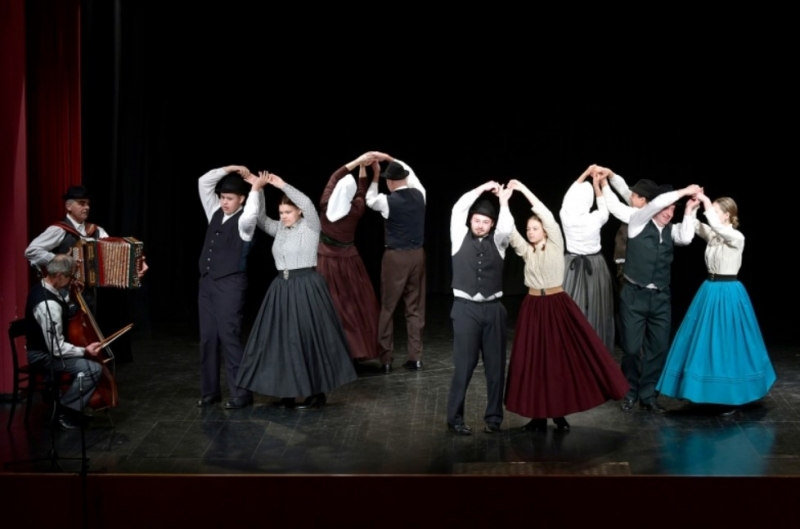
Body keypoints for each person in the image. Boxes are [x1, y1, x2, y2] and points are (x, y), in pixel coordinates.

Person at [503, 179, 629, 432]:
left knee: (556, 361)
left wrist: (523, 189)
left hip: (555, 305)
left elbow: (545, 213)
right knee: (534, 362)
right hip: (532, 307)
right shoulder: (527, 251)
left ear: (545, 230)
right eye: (528, 229)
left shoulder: (556, 243)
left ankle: (558, 414)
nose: (530, 232)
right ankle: (538, 416)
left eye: (535, 228)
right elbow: (510, 231)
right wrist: (504, 202)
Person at [236, 171, 356, 409]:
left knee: (307, 338)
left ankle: (315, 393)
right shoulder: (280, 228)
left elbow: (308, 203)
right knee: (281, 340)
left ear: (298, 211)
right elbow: (260, 218)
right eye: (281, 213)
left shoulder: (311, 226)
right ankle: (287, 392)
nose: (283, 217)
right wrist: (258, 189)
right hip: (281, 288)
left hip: (305, 286)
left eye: (288, 212)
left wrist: (282, 185)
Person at [656, 193, 776, 413]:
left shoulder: (736, 237)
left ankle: (730, 396)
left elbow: (718, 228)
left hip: (728, 292)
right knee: (704, 341)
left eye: (716, 211)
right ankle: (703, 391)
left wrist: (706, 202)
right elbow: (695, 225)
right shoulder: (715, 235)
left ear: (727, 215)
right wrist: (691, 207)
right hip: (710, 290)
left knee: (728, 342)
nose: (711, 214)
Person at [602, 179, 702, 412]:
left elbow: (686, 238)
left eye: (673, 210)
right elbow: (658, 202)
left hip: (660, 297)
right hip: (634, 295)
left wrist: (689, 209)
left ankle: (648, 395)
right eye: (666, 208)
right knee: (631, 348)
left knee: (658, 348)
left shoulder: (671, 230)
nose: (669, 213)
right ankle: (630, 392)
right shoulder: (638, 222)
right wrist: (684, 191)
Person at [446, 181, 513, 435]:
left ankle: (494, 418)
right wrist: (481, 188)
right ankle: (455, 419)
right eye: (477, 220)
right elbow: (458, 208)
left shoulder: (499, 242)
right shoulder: (458, 237)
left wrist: (503, 201)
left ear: (492, 224)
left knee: (495, 369)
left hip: (493, 309)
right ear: (470, 221)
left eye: (485, 222)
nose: (480, 225)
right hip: (465, 309)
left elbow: (507, 227)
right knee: (464, 366)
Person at [196, 165, 259, 409]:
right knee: (208, 338)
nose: (224, 202)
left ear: (241, 199)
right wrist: (230, 168)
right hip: (207, 282)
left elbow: (252, 214)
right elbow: (204, 181)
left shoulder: (244, 222)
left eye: (229, 198)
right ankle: (210, 391)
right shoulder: (215, 211)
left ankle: (241, 394)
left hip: (230, 284)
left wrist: (255, 189)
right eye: (222, 197)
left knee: (229, 336)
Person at [25, 254, 103, 431]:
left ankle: (73, 409)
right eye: (70, 276)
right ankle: (65, 411)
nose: (71, 281)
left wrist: (73, 296)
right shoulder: (48, 305)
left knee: (88, 364)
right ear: (59, 275)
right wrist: (84, 351)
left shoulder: (47, 288)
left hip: (48, 350)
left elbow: (62, 303)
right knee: (93, 369)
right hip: (43, 355)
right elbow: (56, 349)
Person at [316, 153, 381, 361]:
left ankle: (332, 352)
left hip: (325, 262)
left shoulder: (325, 203)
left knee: (331, 305)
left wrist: (357, 162)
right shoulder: (356, 209)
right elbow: (361, 190)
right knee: (353, 305)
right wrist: (365, 169)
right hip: (349, 263)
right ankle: (357, 350)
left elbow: (334, 177)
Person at [365, 153, 426, 373]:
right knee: (414, 307)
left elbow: (370, 199)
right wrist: (389, 157)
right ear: (405, 178)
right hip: (418, 255)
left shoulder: (387, 200)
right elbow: (412, 174)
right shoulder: (420, 194)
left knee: (388, 307)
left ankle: (386, 360)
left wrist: (375, 175)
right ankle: (415, 357)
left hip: (396, 257)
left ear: (390, 182)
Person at [559, 165, 615, 352]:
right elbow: (604, 208)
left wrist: (585, 172)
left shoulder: (565, 215)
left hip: (571, 265)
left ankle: (570, 348)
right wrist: (596, 185)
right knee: (596, 307)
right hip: (595, 265)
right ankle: (594, 348)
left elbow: (569, 195)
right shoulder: (595, 217)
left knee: (572, 306)